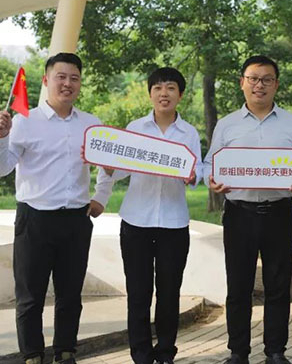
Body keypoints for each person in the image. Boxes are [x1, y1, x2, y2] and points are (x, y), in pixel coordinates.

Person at [0, 53, 104, 364]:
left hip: (76, 220)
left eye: (74, 78)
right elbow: (0, 169)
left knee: (70, 294)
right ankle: (32, 355)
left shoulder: (91, 124)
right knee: (30, 296)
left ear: (80, 83)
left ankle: (66, 352)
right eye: (60, 77)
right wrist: (1, 138)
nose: (67, 83)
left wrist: (101, 196)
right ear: (46, 80)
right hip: (34, 219)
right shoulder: (24, 122)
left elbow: (108, 165)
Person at [203, 55, 292, 364]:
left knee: (278, 286)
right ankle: (238, 352)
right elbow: (210, 162)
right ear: (242, 83)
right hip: (239, 213)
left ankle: (275, 352)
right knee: (238, 286)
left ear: (276, 84)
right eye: (253, 78)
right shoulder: (227, 124)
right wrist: (211, 179)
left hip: (280, 212)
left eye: (267, 79)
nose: (259, 85)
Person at [92, 67, 202, 364]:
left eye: (170, 88)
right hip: (136, 221)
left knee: (169, 292)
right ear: (150, 94)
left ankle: (165, 352)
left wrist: (193, 176)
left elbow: (198, 170)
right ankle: (140, 354)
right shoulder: (135, 128)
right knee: (138, 292)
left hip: (173, 222)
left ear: (180, 95)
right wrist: (109, 167)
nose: (164, 94)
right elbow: (121, 169)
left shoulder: (189, 133)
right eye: (158, 88)